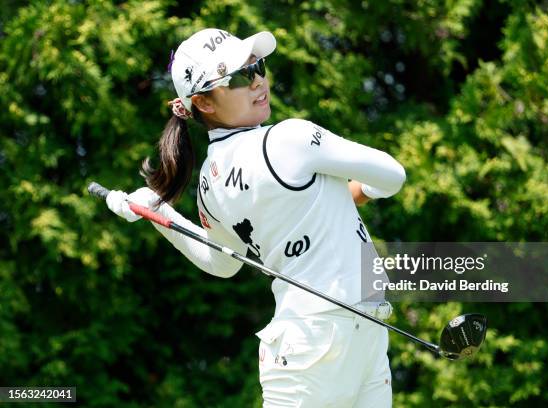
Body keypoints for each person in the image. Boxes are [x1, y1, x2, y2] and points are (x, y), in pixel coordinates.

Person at [106, 28, 406, 407]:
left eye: (258, 66)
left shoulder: (208, 184)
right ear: (205, 103)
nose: (259, 81)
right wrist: (360, 190)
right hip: (321, 337)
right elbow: (393, 175)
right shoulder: (290, 138)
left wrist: (159, 212)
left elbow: (220, 262)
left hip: (344, 333)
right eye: (241, 77)